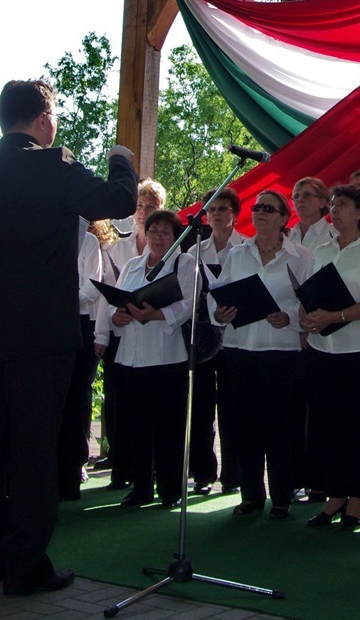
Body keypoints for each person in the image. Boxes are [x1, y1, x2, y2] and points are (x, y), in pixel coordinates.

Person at [0, 79, 136, 597]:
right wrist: (121, 158)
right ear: (44, 120)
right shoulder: (54, 166)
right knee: (32, 454)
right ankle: (24, 568)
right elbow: (118, 200)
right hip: (40, 341)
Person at [214, 188, 308, 518]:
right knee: (245, 425)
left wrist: (289, 317)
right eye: (257, 208)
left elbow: (309, 303)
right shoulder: (238, 254)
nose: (260, 214)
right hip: (239, 347)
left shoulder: (300, 256)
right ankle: (251, 495)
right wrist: (220, 313)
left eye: (268, 209)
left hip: (280, 350)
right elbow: (219, 295)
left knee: (278, 426)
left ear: (284, 218)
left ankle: (282, 495)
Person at [300, 183, 360, 531]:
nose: (334, 211)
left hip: (359, 352)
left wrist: (334, 316)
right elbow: (306, 294)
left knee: (358, 427)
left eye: (343, 205)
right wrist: (307, 317)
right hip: (322, 350)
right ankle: (334, 495)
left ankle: (357, 499)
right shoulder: (321, 250)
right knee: (328, 426)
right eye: (333, 205)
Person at [108, 209, 198, 508]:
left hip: (167, 357)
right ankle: (141, 487)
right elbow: (114, 301)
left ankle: (171, 489)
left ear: (175, 237)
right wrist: (116, 316)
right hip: (131, 357)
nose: (158, 238)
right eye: (154, 232)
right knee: (137, 426)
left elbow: (189, 304)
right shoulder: (132, 265)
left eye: (165, 233)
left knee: (169, 428)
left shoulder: (184, 263)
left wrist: (157, 314)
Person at [95, 179, 168, 490]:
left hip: (156, 335)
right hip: (121, 331)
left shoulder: (171, 249)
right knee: (118, 401)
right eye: (139, 206)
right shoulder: (118, 247)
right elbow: (106, 294)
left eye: (150, 207)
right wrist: (104, 330)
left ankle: (152, 470)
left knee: (151, 408)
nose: (143, 212)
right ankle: (120, 464)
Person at [190, 187, 247, 494]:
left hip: (236, 336)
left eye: (222, 208)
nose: (216, 214)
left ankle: (233, 474)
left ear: (234, 214)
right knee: (200, 407)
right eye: (211, 209)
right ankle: (203, 473)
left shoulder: (247, 247)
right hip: (203, 337)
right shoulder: (195, 251)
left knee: (231, 407)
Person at [57, 218, 106, 501]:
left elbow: (91, 287)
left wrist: (59, 299)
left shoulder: (88, 241)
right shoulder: (44, 236)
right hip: (50, 325)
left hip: (81, 325)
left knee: (77, 396)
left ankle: (75, 466)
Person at [291, 176, 333, 252]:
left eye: (307, 195)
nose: (300, 199)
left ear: (322, 202)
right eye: (296, 196)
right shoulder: (286, 236)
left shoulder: (335, 235)